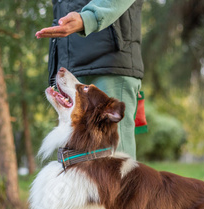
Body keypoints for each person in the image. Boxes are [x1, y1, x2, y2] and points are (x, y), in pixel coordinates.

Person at [36, 0, 144, 209]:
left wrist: (87, 18)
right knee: (81, 179)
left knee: (117, 176)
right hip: (74, 54)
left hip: (109, 55)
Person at [35, 0, 143, 160]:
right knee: (78, 173)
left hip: (109, 60)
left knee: (117, 171)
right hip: (70, 61)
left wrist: (89, 18)